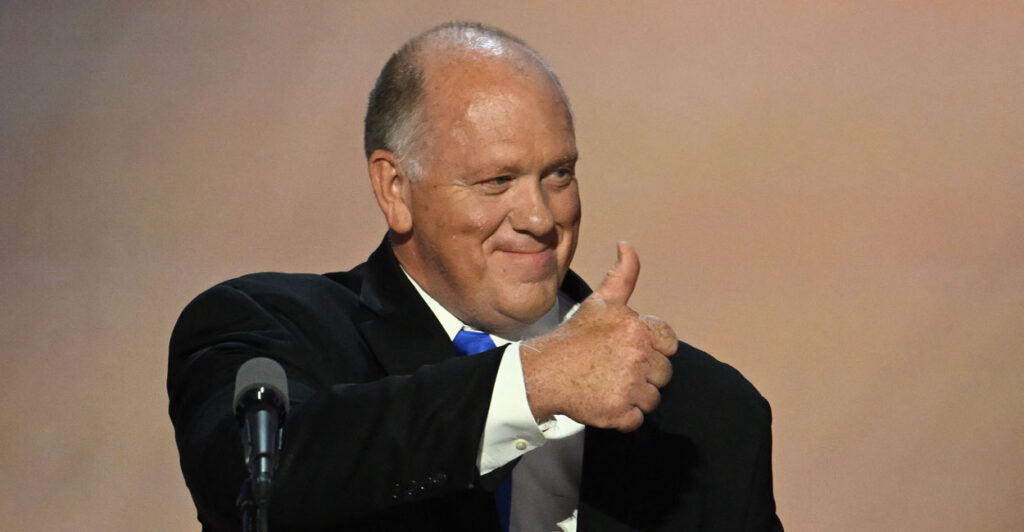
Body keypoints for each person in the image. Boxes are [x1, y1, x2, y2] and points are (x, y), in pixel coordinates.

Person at [168, 22, 783, 531]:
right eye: (497, 181)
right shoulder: (271, 333)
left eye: (559, 174)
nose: (541, 217)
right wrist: (534, 381)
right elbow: (268, 490)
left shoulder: (709, 413)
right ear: (395, 188)